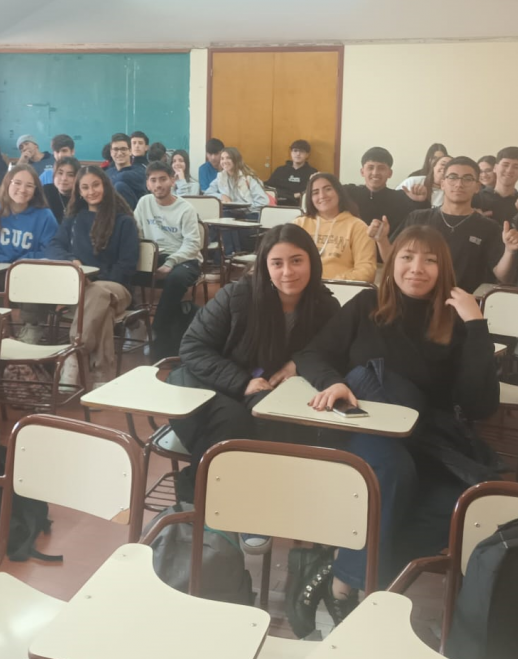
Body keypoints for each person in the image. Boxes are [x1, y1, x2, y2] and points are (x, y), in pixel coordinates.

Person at [291, 225, 499, 631]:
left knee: (461, 503)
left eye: (430, 260)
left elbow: (480, 404)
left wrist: (476, 325)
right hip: (362, 427)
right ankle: (361, 592)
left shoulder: (456, 320)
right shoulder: (367, 303)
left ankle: (340, 569)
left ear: (444, 268)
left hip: (423, 438)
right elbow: (311, 354)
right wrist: (333, 381)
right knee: (390, 466)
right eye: (407, 257)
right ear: (392, 261)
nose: (416, 268)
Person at [168, 224, 340, 491]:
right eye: (277, 263)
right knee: (234, 424)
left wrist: (297, 362)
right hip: (205, 381)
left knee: (283, 421)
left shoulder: (325, 305)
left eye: (297, 261)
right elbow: (193, 347)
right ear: (265, 266)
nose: (287, 272)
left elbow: (329, 350)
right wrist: (241, 382)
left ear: (312, 262)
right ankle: (200, 503)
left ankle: (265, 502)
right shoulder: (238, 295)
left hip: (264, 388)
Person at [371, 157, 518, 293]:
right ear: (443, 183)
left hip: (463, 305)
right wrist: (382, 239)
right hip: (419, 298)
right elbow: (392, 260)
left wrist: (510, 251)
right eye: (453, 177)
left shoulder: (489, 227)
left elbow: (502, 276)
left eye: (467, 179)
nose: (459, 184)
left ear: (477, 187)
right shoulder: (418, 218)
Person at [47, 166, 139, 385]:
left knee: (98, 293)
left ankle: (74, 354)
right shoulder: (74, 218)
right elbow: (53, 245)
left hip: (117, 289)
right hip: (82, 290)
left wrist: (93, 281)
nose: (91, 191)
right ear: (78, 191)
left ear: (105, 186)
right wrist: (71, 261)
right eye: (85, 187)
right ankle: (101, 376)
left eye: (96, 185)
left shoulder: (124, 221)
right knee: (102, 312)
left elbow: (126, 265)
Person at [133, 161, 204, 360]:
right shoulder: (144, 203)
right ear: (147, 184)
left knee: (176, 279)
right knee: (122, 271)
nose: (158, 185)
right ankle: (133, 324)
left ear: (172, 180)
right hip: (152, 255)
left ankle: (158, 329)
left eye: (163, 179)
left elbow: (192, 244)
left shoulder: (186, 209)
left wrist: (170, 263)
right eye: (153, 180)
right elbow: (135, 233)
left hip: (184, 258)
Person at [292, 173, 376, 282]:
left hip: (342, 290)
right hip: (304, 289)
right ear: (310, 198)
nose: (322, 196)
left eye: (328, 189)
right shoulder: (299, 225)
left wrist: (332, 283)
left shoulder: (358, 227)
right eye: (315, 192)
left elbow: (367, 271)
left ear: (339, 193)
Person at [0, 164, 58, 263]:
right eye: (17, 183)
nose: (23, 189)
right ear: (7, 184)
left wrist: (20, 262)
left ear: (35, 190)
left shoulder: (45, 216)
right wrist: (5, 260)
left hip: (30, 272)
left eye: (29, 186)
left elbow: (50, 251)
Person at [343, 147, 417, 236]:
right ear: (362, 172)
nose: (375, 172)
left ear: (390, 173)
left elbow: (418, 224)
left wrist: (420, 202)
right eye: (370, 168)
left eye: (381, 168)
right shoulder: (348, 193)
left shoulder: (401, 199)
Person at [472, 146, 518, 226]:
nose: (509, 170)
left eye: (516, 167)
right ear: (495, 168)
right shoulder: (475, 199)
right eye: (505, 165)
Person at [205, 146, 269, 213]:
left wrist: (247, 209)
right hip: (230, 212)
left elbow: (263, 201)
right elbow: (207, 194)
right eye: (222, 158)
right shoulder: (221, 176)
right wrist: (221, 196)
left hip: (249, 213)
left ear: (236, 160)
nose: (224, 161)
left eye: (228, 158)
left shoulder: (248, 177)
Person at [268, 140, 318, 206]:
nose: (298, 154)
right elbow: (270, 188)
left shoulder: (312, 172)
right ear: (291, 152)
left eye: (302, 151)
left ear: (307, 154)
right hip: (279, 206)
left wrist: (300, 194)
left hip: (301, 207)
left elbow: (313, 192)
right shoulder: (280, 170)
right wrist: (292, 196)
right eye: (295, 150)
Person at [107, 132, 148, 208]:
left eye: (123, 149)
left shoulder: (140, 171)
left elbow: (123, 177)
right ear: (111, 152)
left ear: (130, 151)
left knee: (120, 186)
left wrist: (106, 182)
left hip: (133, 216)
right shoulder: (108, 172)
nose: (119, 153)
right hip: (109, 214)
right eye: (115, 149)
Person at [43, 156, 78, 223]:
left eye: (70, 175)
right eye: (60, 173)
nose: (64, 178)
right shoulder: (46, 190)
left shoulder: (82, 196)